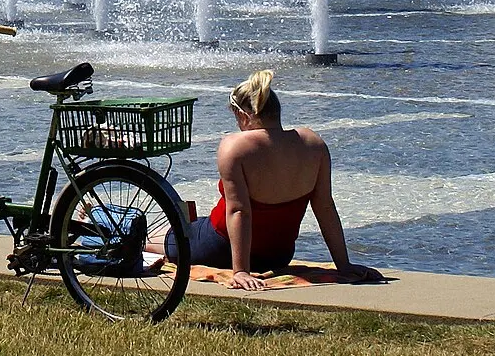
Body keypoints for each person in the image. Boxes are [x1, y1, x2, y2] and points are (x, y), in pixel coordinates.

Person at [160, 69, 383, 288]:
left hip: (220, 246)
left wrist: (240, 271)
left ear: (243, 116)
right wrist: (343, 265)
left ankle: (139, 240)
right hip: (278, 255)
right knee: (194, 224)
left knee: (167, 237)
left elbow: (239, 211)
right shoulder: (314, 143)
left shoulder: (235, 146)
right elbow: (325, 207)